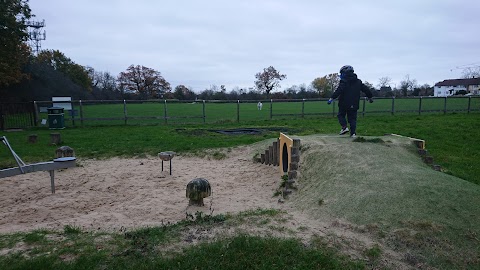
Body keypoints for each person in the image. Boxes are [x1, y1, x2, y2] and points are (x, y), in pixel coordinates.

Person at [327, 65, 373, 138]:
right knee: (352, 119)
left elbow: (339, 90)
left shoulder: (344, 82)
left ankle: (344, 127)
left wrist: (332, 98)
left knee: (341, 115)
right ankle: (353, 133)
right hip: (354, 103)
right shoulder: (358, 82)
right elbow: (366, 89)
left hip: (343, 103)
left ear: (344, 73)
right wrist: (370, 97)